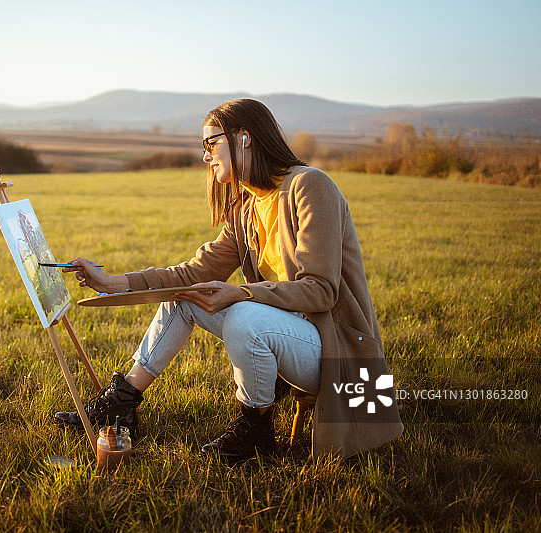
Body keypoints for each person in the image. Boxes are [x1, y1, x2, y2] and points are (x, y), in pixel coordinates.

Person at [54, 99, 403, 461]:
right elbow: (192, 273)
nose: (206, 155)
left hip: (336, 350)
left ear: (244, 138)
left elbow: (321, 290)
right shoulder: (247, 206)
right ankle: (119, 404)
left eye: (211, 143)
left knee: (242, 313)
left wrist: (241, 293)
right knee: (185, 294)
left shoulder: (310, 185)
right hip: (288, 335)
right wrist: (113, 283)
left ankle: (255, 430)